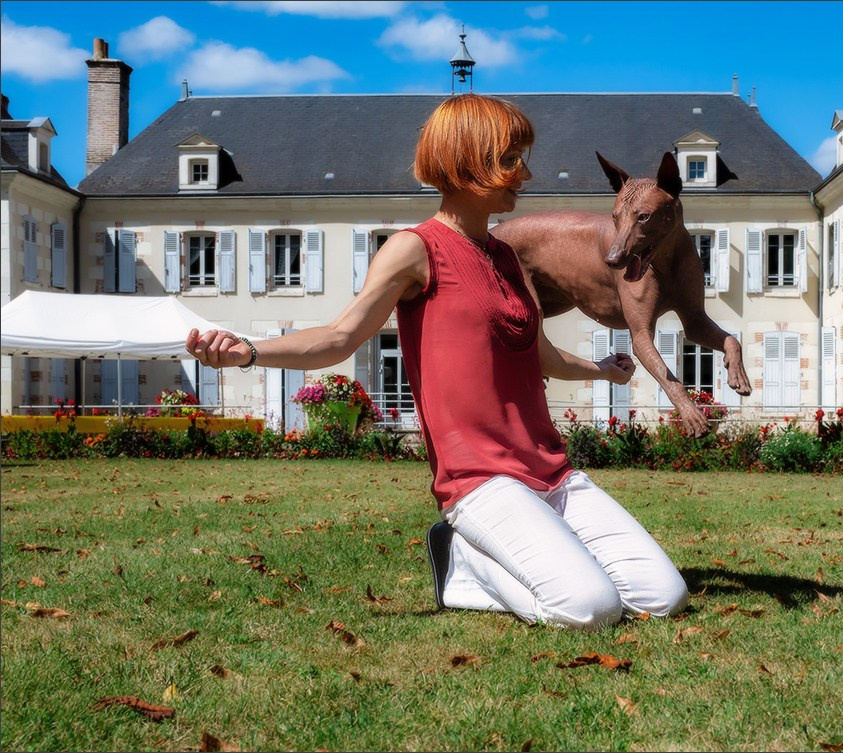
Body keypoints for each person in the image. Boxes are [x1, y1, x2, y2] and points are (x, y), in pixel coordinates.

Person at [186, 93, 689, 630]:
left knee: (664, 597)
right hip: (481, 481)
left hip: (551, 473)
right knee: (591, 608)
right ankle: (463, 563)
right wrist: (250, 351)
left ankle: (536, 554)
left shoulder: (507, 258)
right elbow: (339, 337)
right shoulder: (414, 249)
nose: (526, 172)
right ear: (469, 161)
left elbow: (535, 350)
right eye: (512, 159)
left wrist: (600, 370)